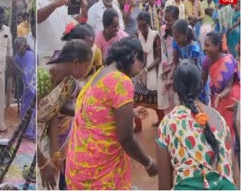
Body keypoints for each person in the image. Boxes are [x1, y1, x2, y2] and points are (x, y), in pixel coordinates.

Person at [65, 37, 158, 189]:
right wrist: (148, 163)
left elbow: (98, 110)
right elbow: (126, 138)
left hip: (78, 167)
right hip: (99, 175)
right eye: (142, 61)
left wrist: (130, 112)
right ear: (134, 56)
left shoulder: (101, 72)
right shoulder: (122, 81)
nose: (142, 67)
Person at [157, 59, 240, 190]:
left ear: (174, 87)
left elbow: (164, 187)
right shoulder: (219, 119)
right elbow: (234, 168)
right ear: (201, 85)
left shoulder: (167, 124)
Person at [37, 39, 93, 190]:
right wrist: (42, 163)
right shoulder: (42, 77)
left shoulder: (69, 82)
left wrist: (56, 154)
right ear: (76, 63)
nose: (87, 71)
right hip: (33, 138)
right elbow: (28, 122)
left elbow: (53, 113)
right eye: (86, 66)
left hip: (45, 139)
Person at [37, 0, 87, 66]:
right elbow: (37, 17)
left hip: (65, 55)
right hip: (46, 56)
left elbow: (80, 21)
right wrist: (55, 4)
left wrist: (84, 9)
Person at [202, 31, 240, 139]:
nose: (204, 48)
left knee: (230, 128)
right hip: (217, 98)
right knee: (218, 127)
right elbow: (202, 83)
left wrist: (220, 96)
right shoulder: (206, 62)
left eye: (207, 45)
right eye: (204, 45)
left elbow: (228, 87)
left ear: (217, 46)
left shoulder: (228, 60)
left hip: (230, 97)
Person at [133, 12, 162, 131]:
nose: (142, 29)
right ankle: (138, 126)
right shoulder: (137, 35)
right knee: (136, 101)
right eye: (140, 26)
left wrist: (146, 70)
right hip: (140, 73)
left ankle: (161, 123)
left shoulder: (155, 36)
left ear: (148, 24)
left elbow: (158, 58)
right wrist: (139, 70)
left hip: (152, 72)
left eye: (144, 26)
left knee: (156, 103)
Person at [172, 19, 209, 105]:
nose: (175, 39)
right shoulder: (176, 42)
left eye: (177, 36)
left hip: (197, 78)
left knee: (198, 106)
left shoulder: (194, 48)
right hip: (185, 74)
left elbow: (195, 71)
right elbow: (175, 61)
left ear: (185, 35)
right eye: (174, 36)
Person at [12, 37, 36, 140]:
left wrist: (14, 66)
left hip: (32, 87)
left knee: (29, 109)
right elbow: (13, 68)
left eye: (20, 47)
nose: (18, 50)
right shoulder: (18, 56)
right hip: (26, 88)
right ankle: (27, 130)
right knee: (24, 109)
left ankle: (30, 132)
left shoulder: (30, 56)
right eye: (16, 48)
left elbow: (27, 74)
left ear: (25, 46)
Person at [158, 6, 180, 115]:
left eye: (169, 21)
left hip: (179, 67)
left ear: (177, 19)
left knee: (177, 96)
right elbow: (163, 49)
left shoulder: (182, 30)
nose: (166, 23)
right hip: (167, 66)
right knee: (168, 96)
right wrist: (166, 66)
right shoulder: (163, 29)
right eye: (165, 20)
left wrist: (174, 69)